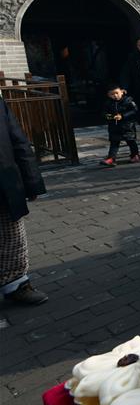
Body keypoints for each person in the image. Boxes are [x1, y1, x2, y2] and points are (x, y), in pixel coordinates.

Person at [0, 98, 47, 304]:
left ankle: (16, 283)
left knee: (12, 236)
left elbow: (18, 141)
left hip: (3, 183)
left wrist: (31, 182)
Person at [99, 84, 140, 167]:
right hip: (114, 126)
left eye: (117, 93)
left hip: (128, 125)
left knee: (131, 141)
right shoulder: (108, 103)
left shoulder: (128, 100)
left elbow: (135, 110)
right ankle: (111, 158)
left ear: (122, 92)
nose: (115, 96)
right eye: (112, 94)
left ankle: (135, 155)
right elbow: (103, 114)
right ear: (108, 95)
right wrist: (111, 117)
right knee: (114, 143)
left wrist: (123, 116)